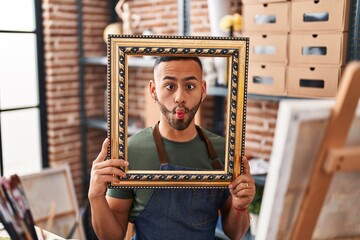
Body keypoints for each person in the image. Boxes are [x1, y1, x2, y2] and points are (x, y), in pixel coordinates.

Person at [88, 56, 255, 240]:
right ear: (153, 90)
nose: (180, 98)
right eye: (169, 86)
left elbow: (235, 233)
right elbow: (112, 237)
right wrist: (95, 196)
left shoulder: (224, 151)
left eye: (190, 86)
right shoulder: (131, 152)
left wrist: (241, 206)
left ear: (203, 90)